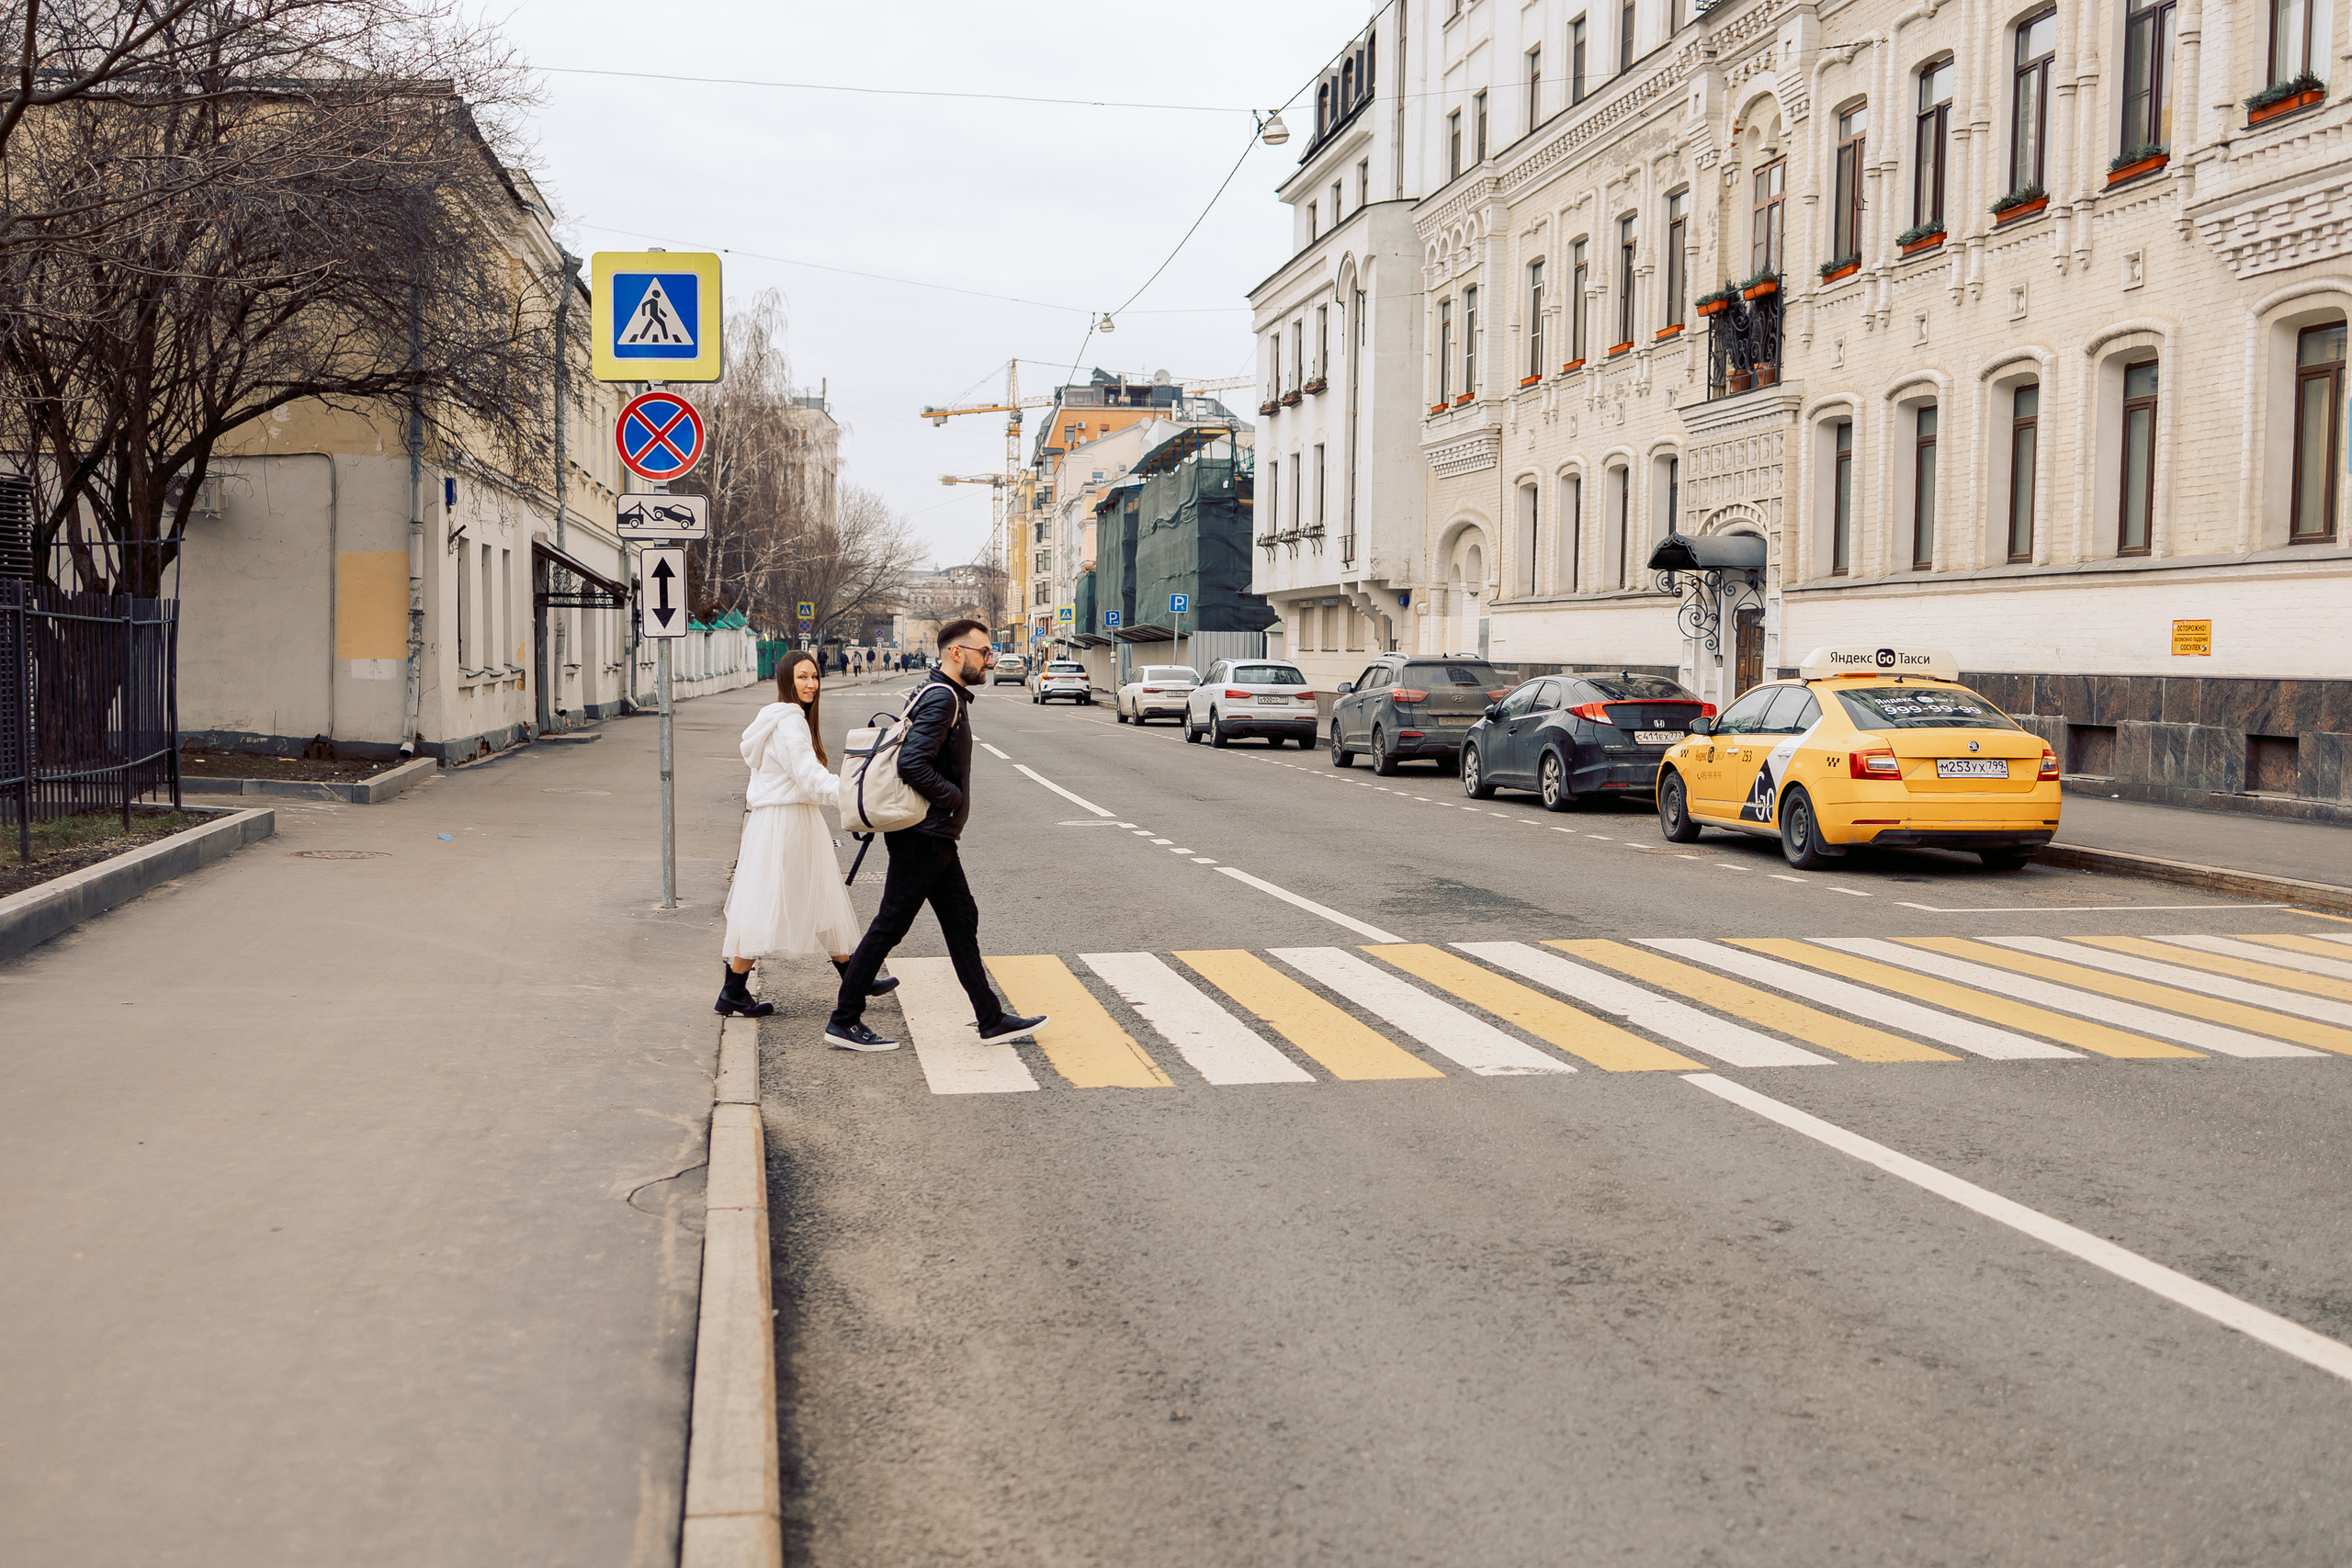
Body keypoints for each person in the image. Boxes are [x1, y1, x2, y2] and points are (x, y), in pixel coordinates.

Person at [823, 619, 1046, 1052]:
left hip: (933, 834)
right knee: (890, 926)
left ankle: (991, 1018)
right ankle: (843, 1018)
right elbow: (912, 764)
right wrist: (951, 798)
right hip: (923, 834)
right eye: (984, 652)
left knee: (962, 921)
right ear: (956, 654)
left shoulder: (937, 692)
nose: (990, 660)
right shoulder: (942, 698)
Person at [718, 650, 899, 1018]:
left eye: (814, 677)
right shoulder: (789, 724)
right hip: (786, 823)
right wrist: (852, 794)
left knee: (819, 897)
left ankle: (854, 977)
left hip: (788, 820)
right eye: (802, 677)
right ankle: (733, 990)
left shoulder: (786, 719)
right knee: (767, 903)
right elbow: (809, 776)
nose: (811, 684)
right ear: (787, 680)